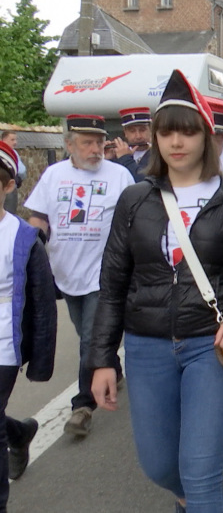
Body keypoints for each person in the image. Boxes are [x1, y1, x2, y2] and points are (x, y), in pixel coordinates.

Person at [88, 70, 223, 513]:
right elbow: (112, 285)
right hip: (146, 345)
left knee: (201, 471)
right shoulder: (135, 198)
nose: (175, 142)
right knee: (158, 466)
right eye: (166, 131)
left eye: (187, 131)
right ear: (154, 137)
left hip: (210, 345)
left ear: (206, 136)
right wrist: (101, 360)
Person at [24, 114, 134, 437]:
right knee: (85, 331)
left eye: (99, 142)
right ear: (69, 144)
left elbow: (135, 220)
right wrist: (27, 251)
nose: (95, 149)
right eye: (87, 143)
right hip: (65, 272)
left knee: (90, 337)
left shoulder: (120, 176)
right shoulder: (53, 175)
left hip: (105, 272)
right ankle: (110, 365)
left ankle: (83, 406)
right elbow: (39, 217)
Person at [0, 141, 56, 509]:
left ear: (7, 186)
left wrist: (39, 361)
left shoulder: (23, 238)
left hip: (4, 340)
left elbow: (42, 305)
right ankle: (18, 433)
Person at [107, 107, 153, 182]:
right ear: (125, 133)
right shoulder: (116, 155)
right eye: (132, 131)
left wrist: (125, 158)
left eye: (142, 130)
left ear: (150, 130)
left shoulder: (159, 154)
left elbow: (144, 181)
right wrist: (107, 160)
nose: (138, 136)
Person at [0, 131, 26, 215]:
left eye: (15, 140)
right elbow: (22, 171)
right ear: (4, 140)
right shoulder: (11, 153)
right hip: (9, 188)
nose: (15, 142)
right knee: (9, 215)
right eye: (12, 140)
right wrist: (18, 178)